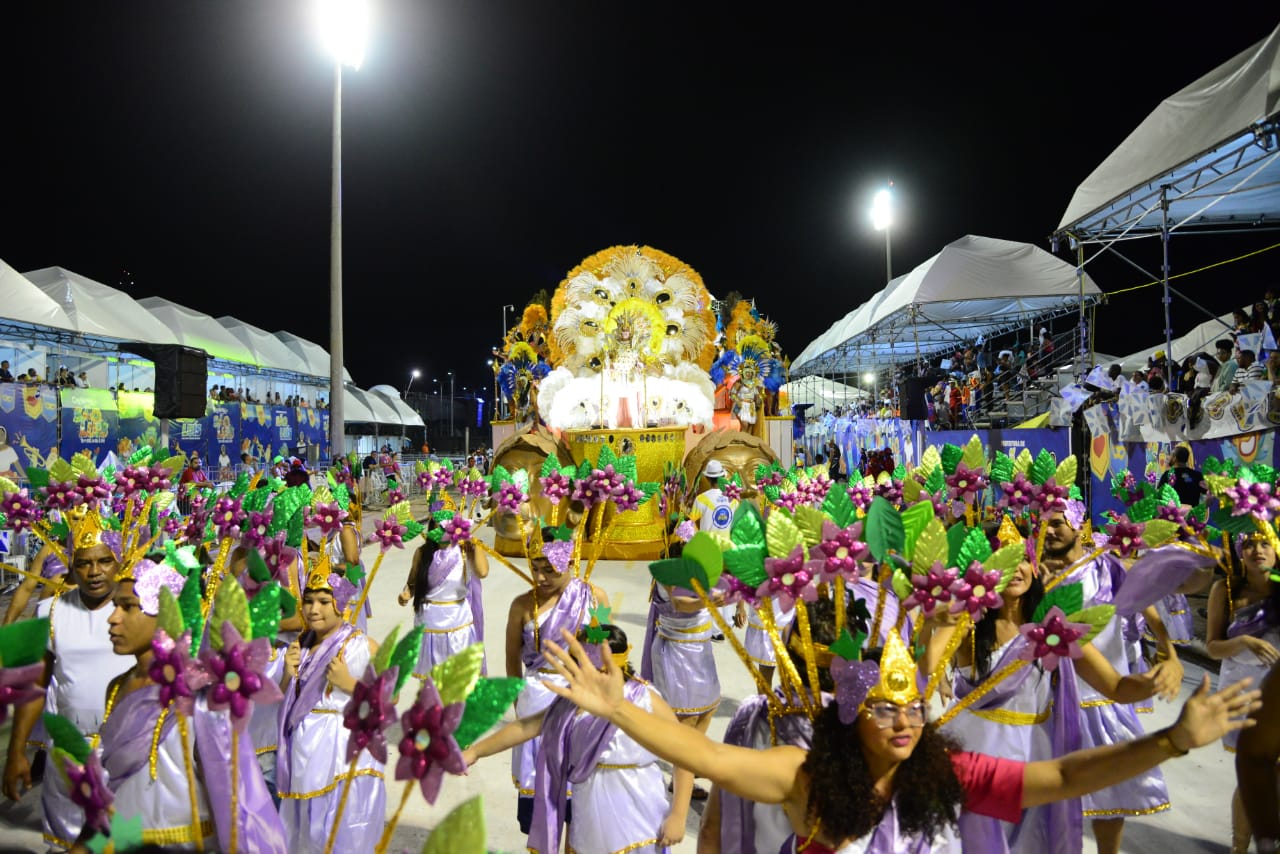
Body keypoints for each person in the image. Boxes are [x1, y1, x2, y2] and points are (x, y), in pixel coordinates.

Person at [541, 627, 1260, 853]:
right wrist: (621, 710)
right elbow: (709, 759)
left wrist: (1170, 743)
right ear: (852, 718)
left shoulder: (945, 773)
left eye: (913, 708)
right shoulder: (806, 777)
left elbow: (1066, 779)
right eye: (885, 711)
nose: (906, 722)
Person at [925, 557, 1180, 853]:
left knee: (1031, 843)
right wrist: (935, 621)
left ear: (1033, 566)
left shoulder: (1056, 630)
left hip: (1036, 752)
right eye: (1003, 558)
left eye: (1020, 559)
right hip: (977, 751)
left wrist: (1158, 675)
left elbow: (1118, 688)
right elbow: (928, 664)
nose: (1014, 568)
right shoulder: (970, 626)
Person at [465, 624, 690, 853]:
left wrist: (679, 815)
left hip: (637, 807)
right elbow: (526, 727)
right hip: (590, 808)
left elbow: (685, 755)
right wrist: (474, 752)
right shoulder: (572, 703)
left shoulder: (644, 699)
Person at [1039, 506, 1186, 854]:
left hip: (1105, 695)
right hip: (1054, 700)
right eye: (1045, 526)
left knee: (1111, 793)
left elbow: (1148, 607)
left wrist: (1171, 653)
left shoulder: (1106, 567)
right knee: (1052, 794)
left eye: (1058, 524)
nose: (1051, 532)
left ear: (1080, 526)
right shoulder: (1037, 574)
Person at [3, 510, 132, 849]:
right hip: (68, 760)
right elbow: (35, 687)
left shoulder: (140, 610)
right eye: (84, 563)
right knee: (65, 844)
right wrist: (17, 752)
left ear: (120, 561)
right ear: (70, 564)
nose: (94, 572)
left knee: (122, 844)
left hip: (127, 758)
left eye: (105, 561)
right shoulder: (51, 612)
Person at [504, 525, 608, 833]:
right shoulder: (522, 605)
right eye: (535, 569)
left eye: (548, 570)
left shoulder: (595, 598)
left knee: (579, 813)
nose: (540, 578)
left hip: (580, 700)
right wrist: (518, 697)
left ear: (570, 563)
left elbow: (605, 653)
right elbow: (512, 657)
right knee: (540, 807)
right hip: (536, 698)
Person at [276, 564, 384, 852]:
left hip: (343, 753)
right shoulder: (299, 646)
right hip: (305, 754)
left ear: (342, 606)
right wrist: (287, 673)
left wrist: (350, 684)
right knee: (307, 836)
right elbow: (282, 700)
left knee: (340, 833)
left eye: (324, 602)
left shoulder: (362, 646)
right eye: (309, 601)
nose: (314, 609)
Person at [1206, 530, 1280, 853]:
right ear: (1239, 551)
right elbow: (1212, 647)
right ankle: (1240, 847)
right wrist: (1243, 641)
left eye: (1265, 542)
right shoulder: (1225, 591)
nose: (1257, 550)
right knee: (1252, 776)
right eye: (1249, 543)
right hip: (1243, 693)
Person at [399, 526, 489, 676]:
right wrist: (406, 594)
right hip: (430, 623)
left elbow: (483, 572)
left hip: (458, 622)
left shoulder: (464, 550)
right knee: (433, 678)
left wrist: (475, 544)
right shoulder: (422, 553)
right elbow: (413, 583)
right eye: (440, 526)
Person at [688, 460, 739, 641]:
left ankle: (716, 630)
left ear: (708, 479)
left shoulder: (702, 499)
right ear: (723, 476)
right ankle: (727, 624)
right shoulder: (733, 498)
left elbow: (690, 522)